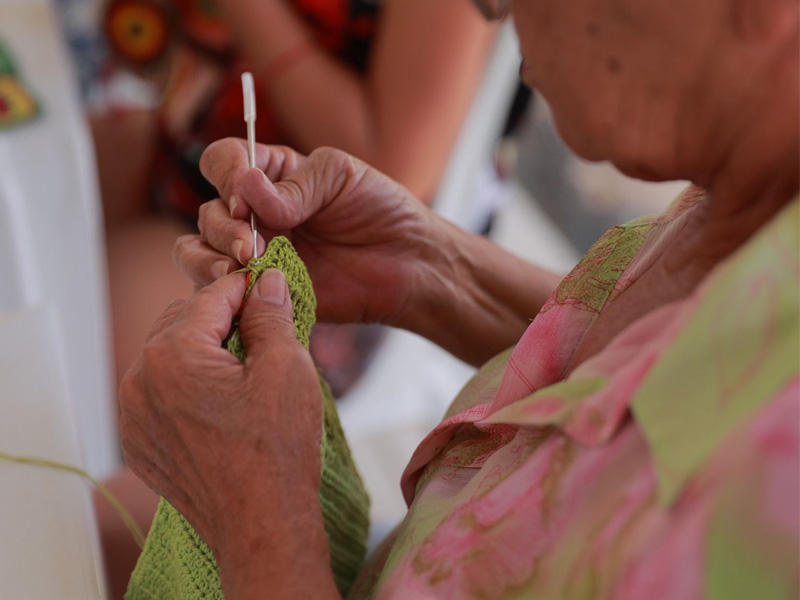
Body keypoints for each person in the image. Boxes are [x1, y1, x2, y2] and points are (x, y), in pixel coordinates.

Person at [118, 0, 799, 597]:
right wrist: (430, 270)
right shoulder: (745, 207)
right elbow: (634, 387)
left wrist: (257, 519)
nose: (498, 12)